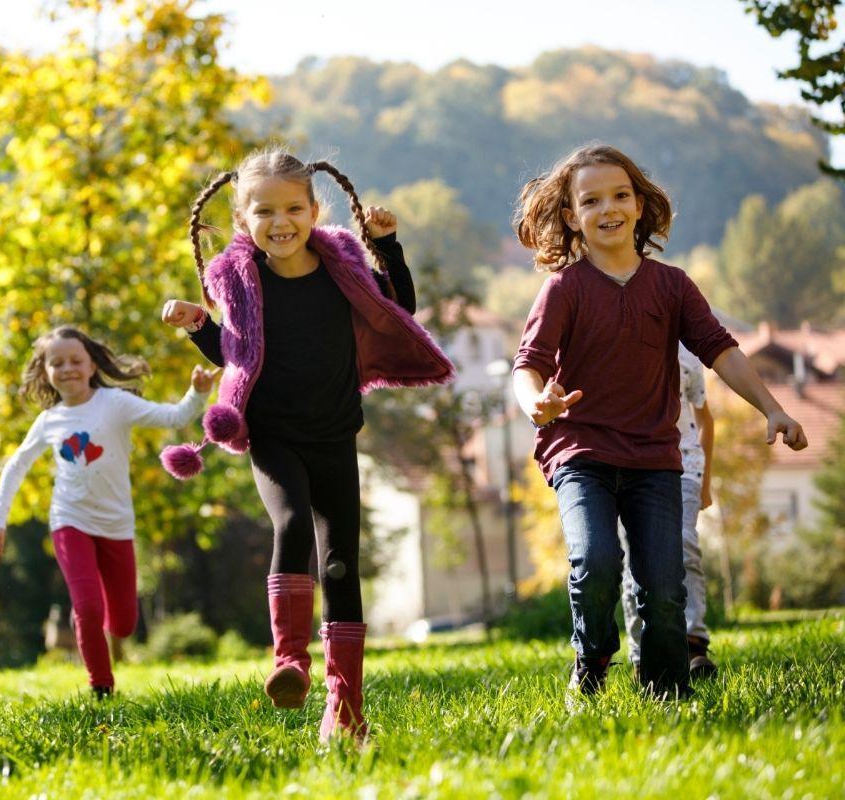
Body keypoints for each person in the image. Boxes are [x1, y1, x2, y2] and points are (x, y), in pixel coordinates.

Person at [159, 147, 454, 741]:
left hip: (336, 435)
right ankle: (289, 661)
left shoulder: (342, 265)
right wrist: (198, 325)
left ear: (315, 209)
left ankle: (345, 712)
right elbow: (234, 353)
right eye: (264, 211)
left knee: (341, 563)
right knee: (292, 523)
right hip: (271, 434)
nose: (281, 221)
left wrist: (386, 244)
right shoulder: (241, 281)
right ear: (244, 220)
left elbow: (397, 307)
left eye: (293, 207)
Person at [511, 143, 807, 701]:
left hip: (653, 459)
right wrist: (536, 404)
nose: (609, 208)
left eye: (621, 195)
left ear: (640, 206)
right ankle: (592, 659)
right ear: (572, 216)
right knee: (594, 559)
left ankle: (666, 690)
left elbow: (721, 350)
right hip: (582, 455)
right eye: (591, 200)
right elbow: (526, 365)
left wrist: (774, 408)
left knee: (665, 587)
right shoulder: (564, 290)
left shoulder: (671, 286)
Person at [0, 326, 216, 696]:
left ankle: (106, 630)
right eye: (56, 363)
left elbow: (172, 418)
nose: (67, 368)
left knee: (122, 623)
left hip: (117, 524)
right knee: (86, 607)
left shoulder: (115, 404)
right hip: (69, 520)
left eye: (76, 360)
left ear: (92, 365)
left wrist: (197, 393)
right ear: (45, 372)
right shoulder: (49, 420)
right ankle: (101, 687)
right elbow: (15, 467)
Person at [621, 345, 718, 678]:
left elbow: (705, 419)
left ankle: (693, 644)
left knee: (683, 543)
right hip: (627, 466)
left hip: (684, 464)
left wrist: (705, 483)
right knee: (636, 562)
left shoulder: (686, 353)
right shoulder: (616, 337)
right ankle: (642, 654)